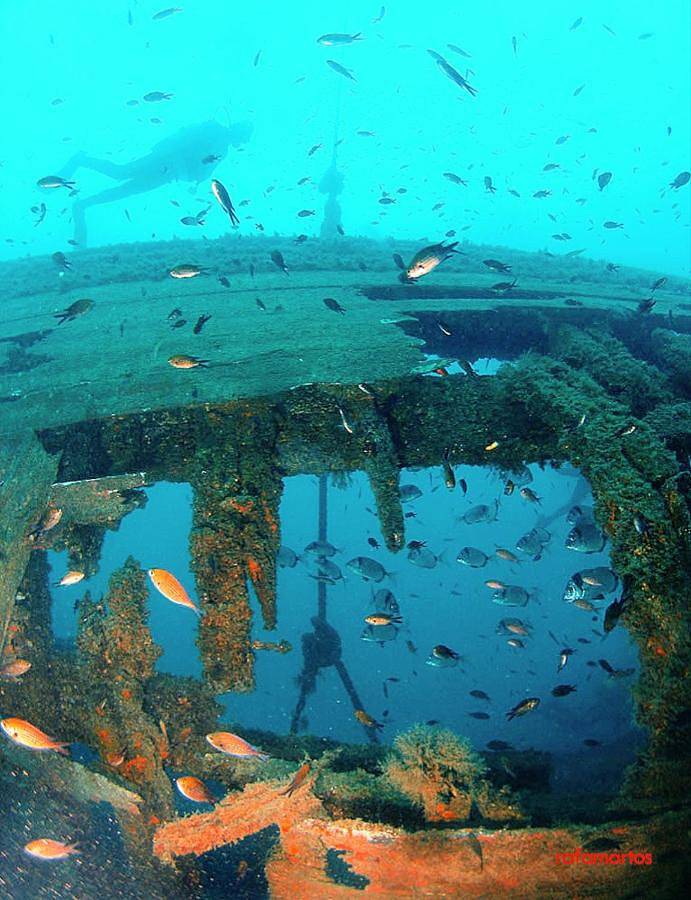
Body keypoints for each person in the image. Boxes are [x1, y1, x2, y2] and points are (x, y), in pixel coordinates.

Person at [58, 119, 252, 245]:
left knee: (124, 185)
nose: (242, 143)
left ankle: (82, 204)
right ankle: (81, 163)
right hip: (163, 164)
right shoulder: (215, 135)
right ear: (239, 133)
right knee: (121, 175)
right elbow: (197, 161)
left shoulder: (220, 142)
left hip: (167, 171)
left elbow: (203, 168)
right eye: (244, 138)